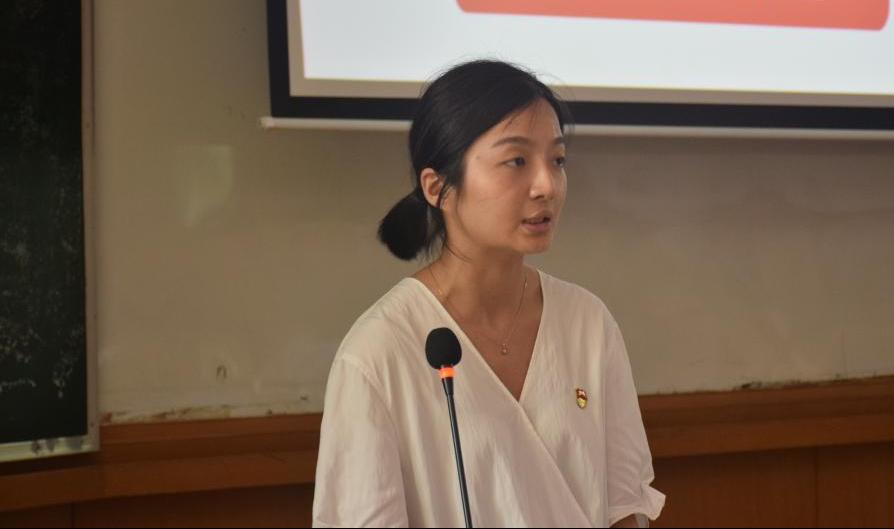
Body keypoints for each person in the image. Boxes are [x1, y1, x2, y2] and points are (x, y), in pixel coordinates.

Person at [312, 59, 665, 528]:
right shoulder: (377, 354)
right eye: (516, 161)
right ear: (438, 187)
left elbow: (624, 507)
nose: (547, 185)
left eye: (557, 160)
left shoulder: (587, 322)